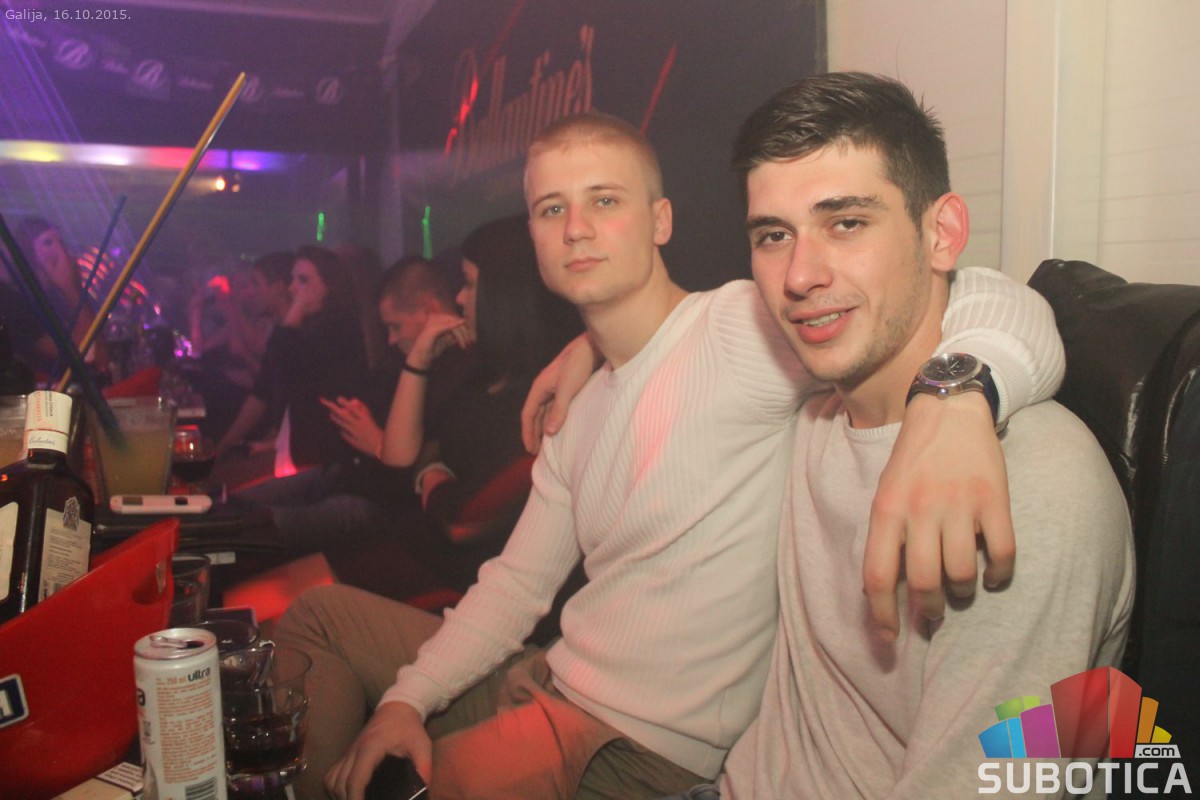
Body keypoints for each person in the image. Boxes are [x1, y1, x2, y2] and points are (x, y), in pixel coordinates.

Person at [274, 112, 1063, 800]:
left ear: (660, 221)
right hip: (549, 677)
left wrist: (958, 399)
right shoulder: (579, 404)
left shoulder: (739, 330)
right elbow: (517, 584)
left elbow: (975, 298)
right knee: (315, 616)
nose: (576, 229)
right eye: (552, 209)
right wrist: (407, 700)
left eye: (604, 201)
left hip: (633, 745)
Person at [709, 72, 1134, 799]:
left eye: (847, 222)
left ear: (941, 234)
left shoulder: (1029, 484)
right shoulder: (811, 400)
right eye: (774, 235)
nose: (799, 276)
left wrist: (955, 396)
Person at [216, 245, 369, 473]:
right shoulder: (308, 329)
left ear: (328, 285)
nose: (292, 288)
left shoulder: (337, 330)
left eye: (303, 280)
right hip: (299, 451)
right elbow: (271, 385)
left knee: (227, 479)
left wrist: (297, 306)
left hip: (322, 462)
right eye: (293, 279)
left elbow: (280, 362)